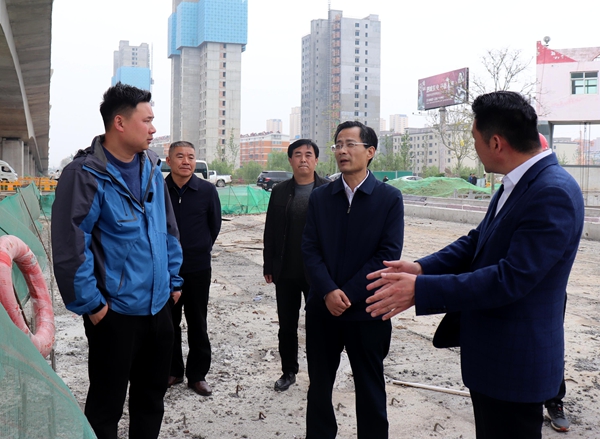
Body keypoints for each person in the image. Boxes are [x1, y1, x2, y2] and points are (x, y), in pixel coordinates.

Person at [365, 91, 584, 439]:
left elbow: (510, 279)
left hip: (516, 365)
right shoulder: (517, 183)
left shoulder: (551, 192)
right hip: (494, 359)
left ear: (496, 142)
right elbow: (476, 241)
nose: (474, 147)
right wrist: (421, 269)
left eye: (475, 138)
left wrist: (421, 291)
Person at [51, 83, 183, 439]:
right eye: (147, 120)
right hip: (115, 313)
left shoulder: (151, 167)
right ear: (120, 123)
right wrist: (93, 306)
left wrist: (174, 281)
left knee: (151, 399)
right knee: (106, 406)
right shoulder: (85, 175)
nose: (153, 129)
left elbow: (168, 228)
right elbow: (70, 246)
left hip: (158, 307)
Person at [302, 121, 404, 439]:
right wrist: (328, 291)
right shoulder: (320, 198)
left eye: (350, 144)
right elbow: (309, 249)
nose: (342, 151)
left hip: (368, 310)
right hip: (324, 310)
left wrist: (346, 293)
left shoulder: (389, 198)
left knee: (370, 388)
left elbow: (387, 255)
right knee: (319, 387)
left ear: (370, 152)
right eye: (338, 145)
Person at [263, 139, 329, 391]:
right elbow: (270, 230)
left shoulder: (329, 190)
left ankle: (319, 374)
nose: (303, 159)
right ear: (290, 160)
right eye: (298, 155)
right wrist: (268, 264)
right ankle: (288, 371)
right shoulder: (280, 191)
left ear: (316, 160)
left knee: (318, 326)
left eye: (308, 154)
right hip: (286, 271)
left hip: (319, 273)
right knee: (287, 326)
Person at [165, 141, 222, 396]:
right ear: (169, 161)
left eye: (190, 156)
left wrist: (201, 247)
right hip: (166, 270)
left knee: (198, 321)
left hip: (198, 268)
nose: (186, 161)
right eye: (180, 156)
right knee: (169, 322)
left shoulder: (207, 190)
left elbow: (214, 225)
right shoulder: (159, 190)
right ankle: (173, 370)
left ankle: (197, 375)